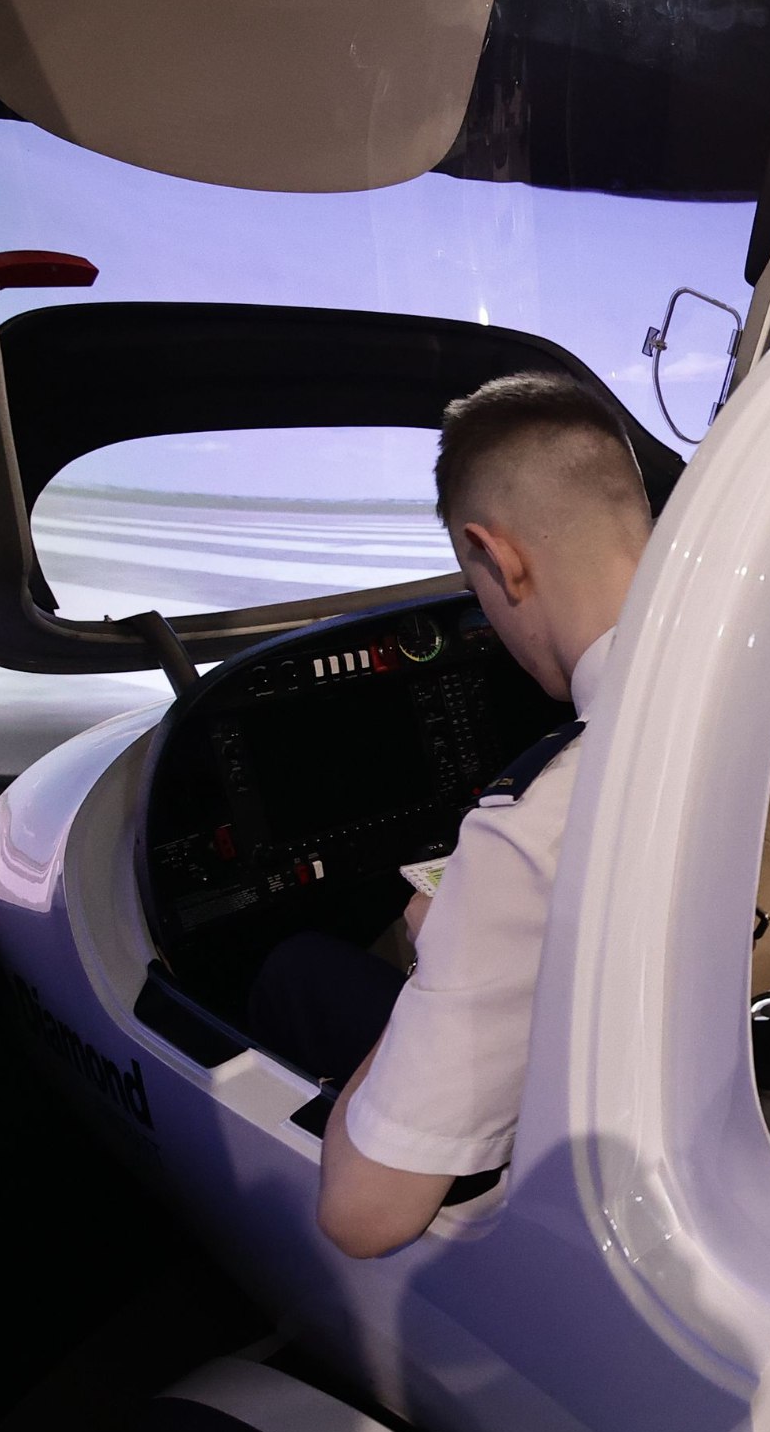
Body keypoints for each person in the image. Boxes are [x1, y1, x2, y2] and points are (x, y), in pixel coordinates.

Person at [245, 372, 651, 1258]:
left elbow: (363, 1218)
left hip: (586, 1216)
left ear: (496, 556)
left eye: (477, 586)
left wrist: (441, 955)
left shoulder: (539, 824)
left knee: (293, 972)